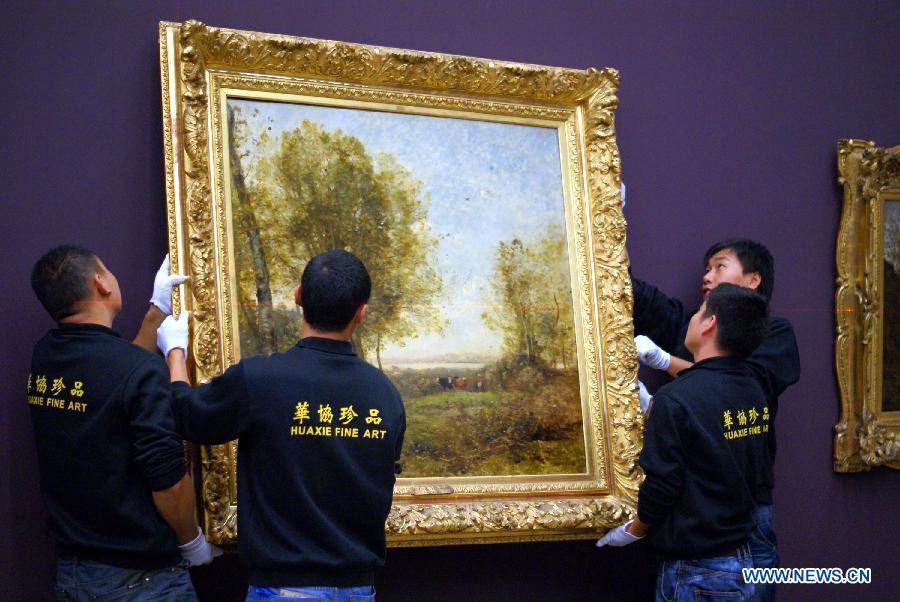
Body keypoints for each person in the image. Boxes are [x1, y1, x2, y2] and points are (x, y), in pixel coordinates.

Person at [157, 249, 406, 601]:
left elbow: (188, 417)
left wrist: (175, 353)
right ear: (362, 312)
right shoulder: (385, 394)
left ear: (298, 296)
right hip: (359, 590)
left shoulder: (260, 379)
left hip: (284, 589)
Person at [27, 246, 220, 601]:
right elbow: (167, 481)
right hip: (141, 580)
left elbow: (115, 376)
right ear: (101, 283)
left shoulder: (47, 355)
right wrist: (192, 542)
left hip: (75, 574)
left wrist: (156, 313)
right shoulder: (136, 370)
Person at [631, 239, 799, 601]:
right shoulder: (690, 323)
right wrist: (606, 221)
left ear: (753, 280)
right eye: (706, 269)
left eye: (719, 267)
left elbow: (733, 385)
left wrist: (665, 364)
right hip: (693, 516)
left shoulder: (775, 334)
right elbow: (640, 297)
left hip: (747, 510)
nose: (707, 276)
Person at [597, 283, 772, 601]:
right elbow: (712, 442)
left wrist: (633, 530)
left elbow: (663, 486)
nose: (692, 317)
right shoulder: (753, 387)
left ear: (710, 323)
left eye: (700, 311)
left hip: (696, 571)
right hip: (743, 559)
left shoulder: (676, 399)